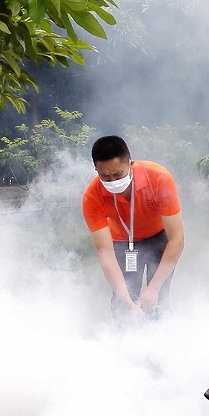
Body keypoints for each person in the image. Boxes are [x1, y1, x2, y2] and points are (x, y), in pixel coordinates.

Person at [81, 135, 185, 317]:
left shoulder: (159, 178)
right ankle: (122, 338)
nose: (112, 181)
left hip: (159, 238)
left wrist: (153, 288)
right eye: (104, 175)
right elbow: (104, 252)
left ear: (130, 163)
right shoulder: (92, 196)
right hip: (122, 242)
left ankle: (161, 335)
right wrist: (128, 304)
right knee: (123, 303)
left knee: (158, 298)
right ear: (96, 169)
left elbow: (177, 239)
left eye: (117, 174)